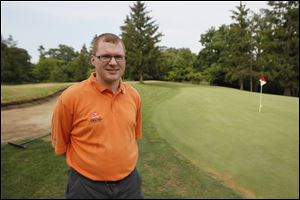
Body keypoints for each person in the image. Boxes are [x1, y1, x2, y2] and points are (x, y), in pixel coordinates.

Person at [51, 33, 143, 199]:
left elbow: (132, 137)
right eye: (106, 56)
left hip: (129, 185)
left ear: (125, 61)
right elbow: (62, 145)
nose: (113, 62)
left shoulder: (134, 96)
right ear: (93, 60)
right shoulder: (70, 97)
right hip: (86, 187)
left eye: (119, 57)